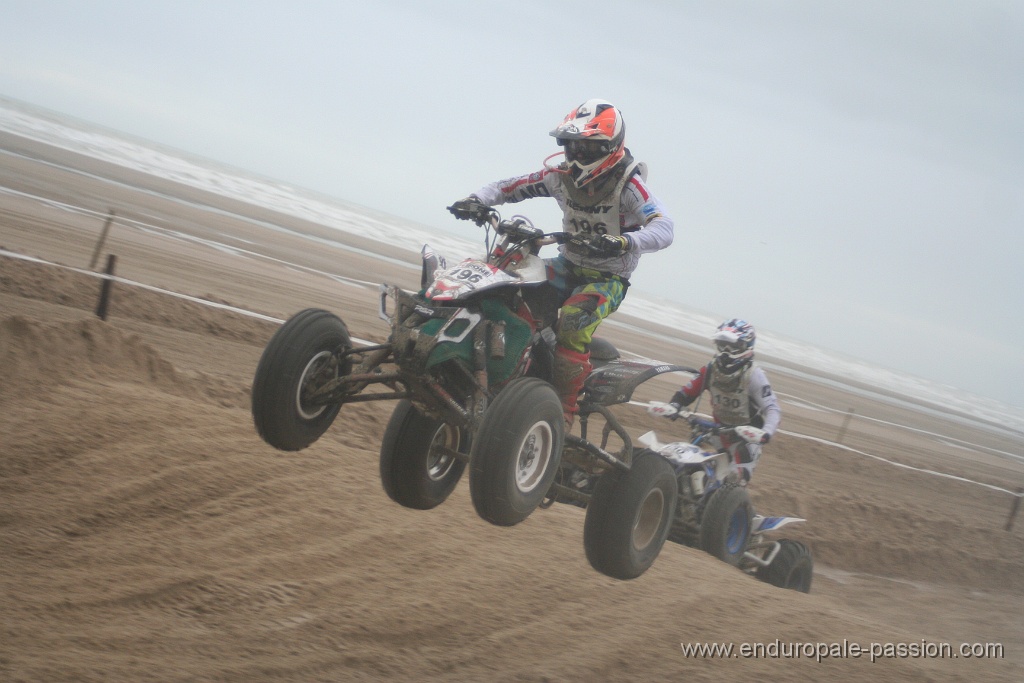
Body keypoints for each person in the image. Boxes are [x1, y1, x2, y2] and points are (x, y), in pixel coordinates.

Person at [448, 98, 674, 426]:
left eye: (588, 146)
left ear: (610, 146)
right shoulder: (558, 177)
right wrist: (476, 201)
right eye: (573, 145)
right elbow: (506, 187)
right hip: (566, 265)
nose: (578, 154)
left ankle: (562, 416)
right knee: (506, 285)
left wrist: (626, 241)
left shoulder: (629, 185)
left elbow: (664, 227)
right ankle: (506, 375)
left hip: (607, 279)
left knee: (571, 321)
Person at [650, 319, 781, 484]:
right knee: (684, 464)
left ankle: (730, 500)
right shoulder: (710, 369)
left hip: (747, 438)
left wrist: (766, 432)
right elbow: (685, 394)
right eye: (722, 345)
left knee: (734, 481)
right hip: (717, 432)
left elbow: (772, 408)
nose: (726, 352)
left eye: (732, 347)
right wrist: (674, 406)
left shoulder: (754, 375)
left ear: (745, 347)